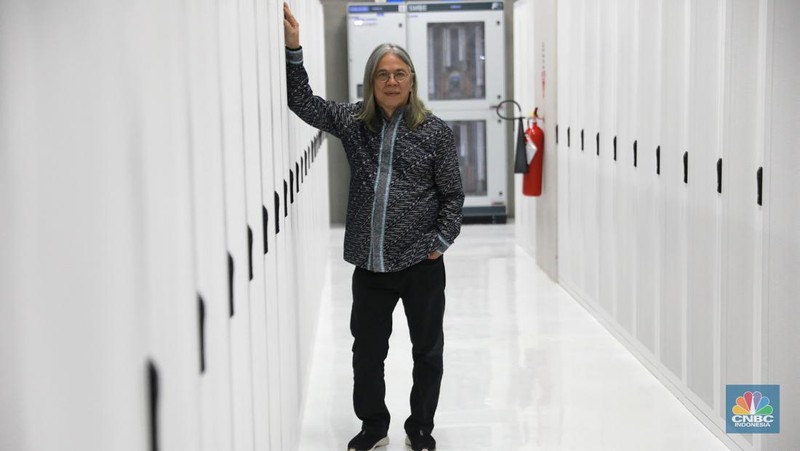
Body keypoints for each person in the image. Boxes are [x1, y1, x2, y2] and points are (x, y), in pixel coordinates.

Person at [283, 3, 464, 451]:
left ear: (412, 81)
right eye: (383, 74)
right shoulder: (353, 122)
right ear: (371, 81)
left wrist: (440, 242)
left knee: (428, 352)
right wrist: (294, 49)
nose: (392, 81)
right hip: (371, 265)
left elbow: (453, 195)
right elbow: (303, 102)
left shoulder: (434, 132)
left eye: (400, 73)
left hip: (421, 264)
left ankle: (420, 428)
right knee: (367, 353)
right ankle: (373, 426)